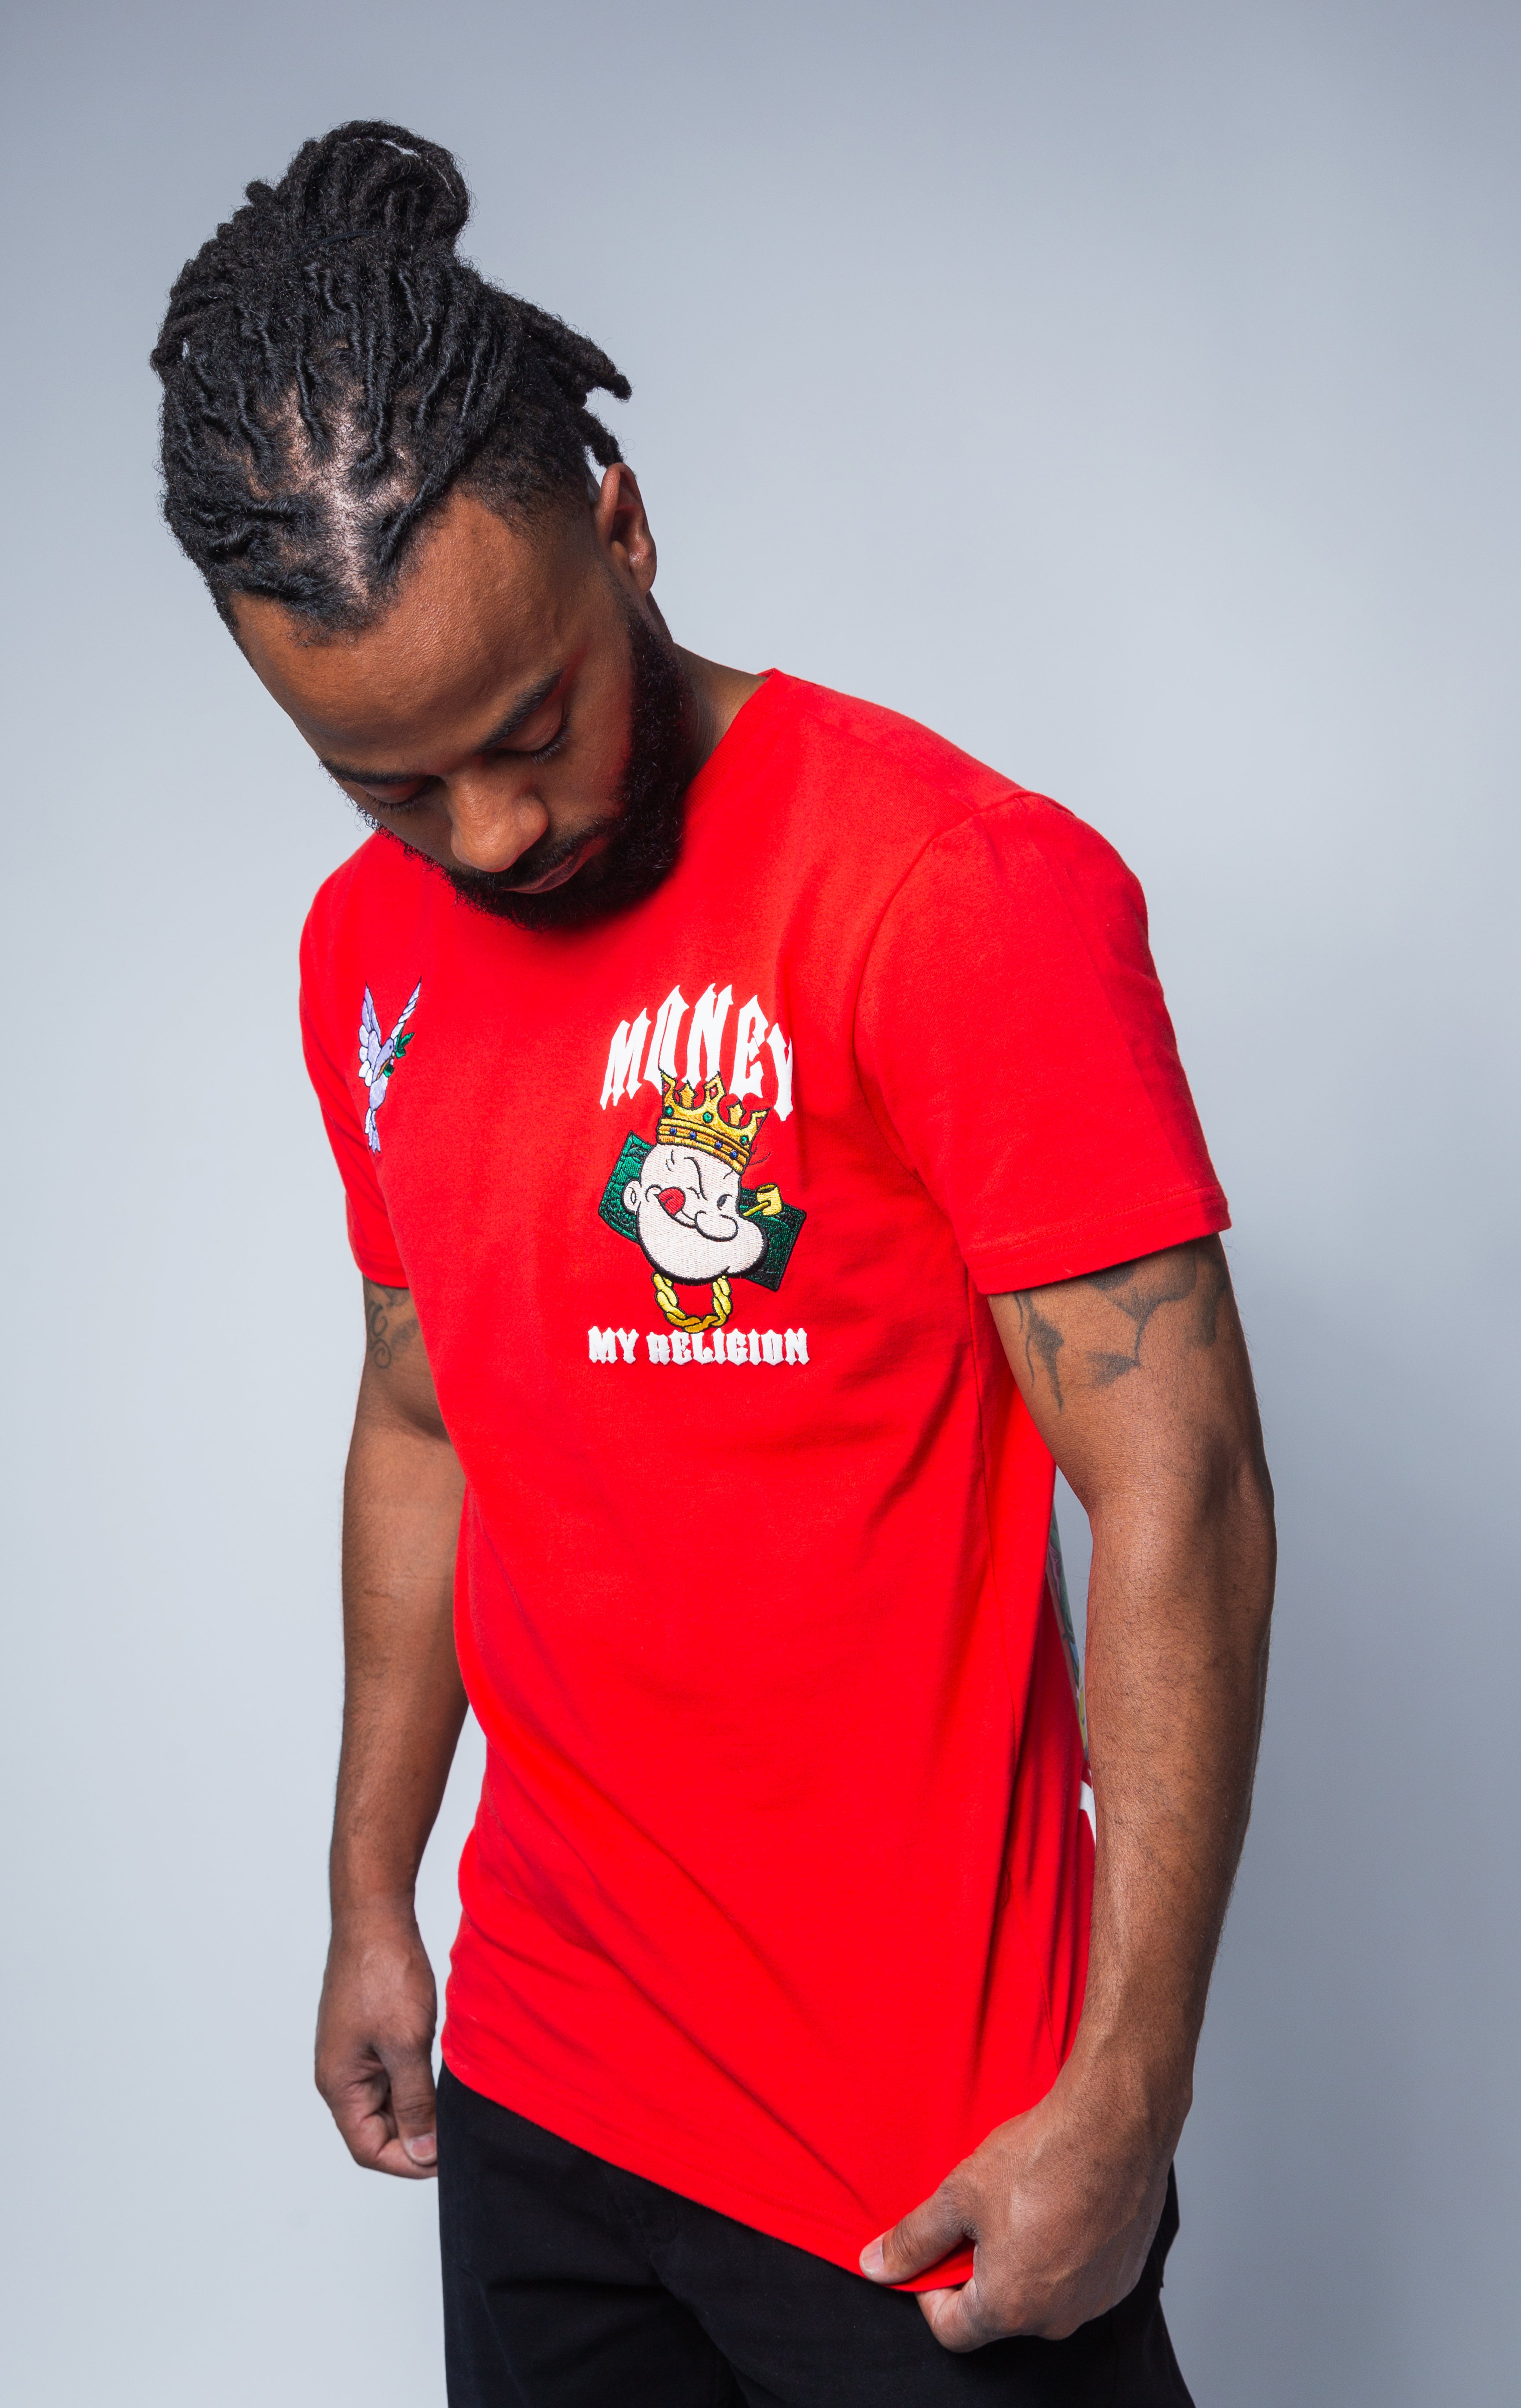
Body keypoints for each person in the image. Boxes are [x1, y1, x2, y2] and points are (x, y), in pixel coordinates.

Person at [151, 121, 1275, 2408]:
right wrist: (372, 1892)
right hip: (547, 2093)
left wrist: (1131, 2094)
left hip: (920, 2153)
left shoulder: (949, 893)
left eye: (528, 728)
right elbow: (421, 1416)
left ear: (627, 527)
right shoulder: (365, 957)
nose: (493, 835)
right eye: (390, 786)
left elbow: (1182, 1482)